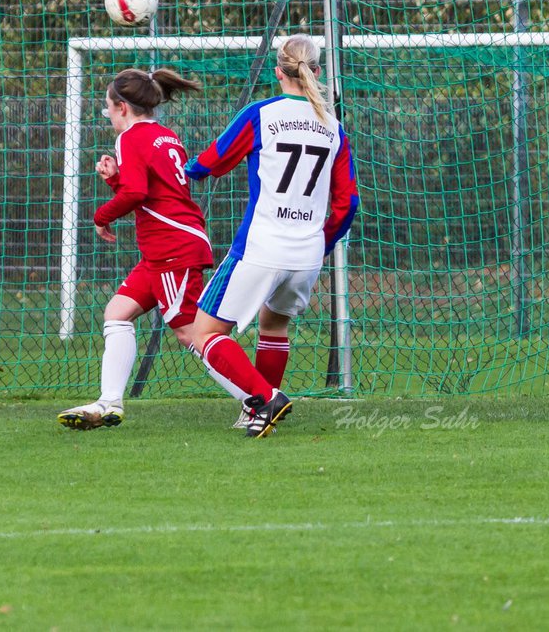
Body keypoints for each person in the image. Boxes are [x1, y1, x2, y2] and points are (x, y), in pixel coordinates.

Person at [184, 33, 360, 438]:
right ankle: (259, 414)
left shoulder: (262, 114)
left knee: (204, 333)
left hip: (261, 247)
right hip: (307, 254)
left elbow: (213, 160)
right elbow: (347, 202)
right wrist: (322, 241)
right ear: (315, 71)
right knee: (274, 325)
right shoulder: (333, 129)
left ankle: (266, 398)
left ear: (278, 71)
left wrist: (187, 170)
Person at [57, 67, 221, 430]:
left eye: (107, 109)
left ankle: (256, 397)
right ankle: (109, 403)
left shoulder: (129, 138)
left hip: (173, 247)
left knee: (189, 332)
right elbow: (148, 192)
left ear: (122, 108)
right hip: (161, 250)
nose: (109, 117)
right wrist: (115, 178)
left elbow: (137, 194)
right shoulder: (165, 135)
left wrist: (101, 215)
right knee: (117, 312)